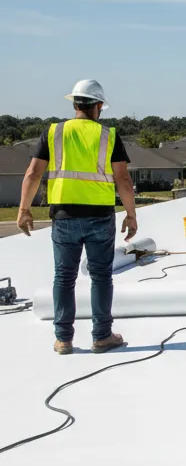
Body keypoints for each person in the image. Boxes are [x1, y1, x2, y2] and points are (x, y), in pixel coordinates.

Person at [17, 80, 138, 354]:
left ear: (75, 104)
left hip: (64, 216)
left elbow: (33, 173)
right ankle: (102, 336)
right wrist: (130, 215)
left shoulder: (54, 133)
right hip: (99, 217)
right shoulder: (109, 136)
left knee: (64, 277)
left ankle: (63, 339)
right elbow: (123, 179)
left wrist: (24, 209)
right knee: (101, 277)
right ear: (98, 107)